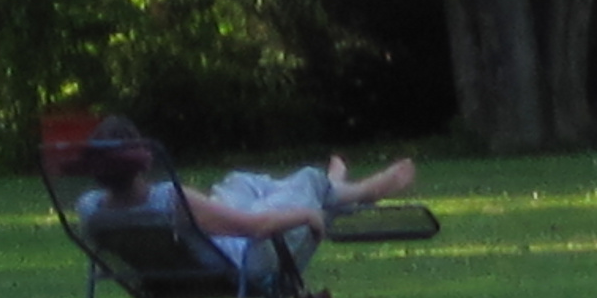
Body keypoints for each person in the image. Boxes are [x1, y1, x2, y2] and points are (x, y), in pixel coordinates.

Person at [73, 115, 417, 278]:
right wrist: (307, 217)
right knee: (308, 181)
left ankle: (335, 187)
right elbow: (257, 227)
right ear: (143, 159)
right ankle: (354, 189)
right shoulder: (172, 200)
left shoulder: (89, 209)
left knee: (240, 181)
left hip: (194, 253)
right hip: (241, 260)